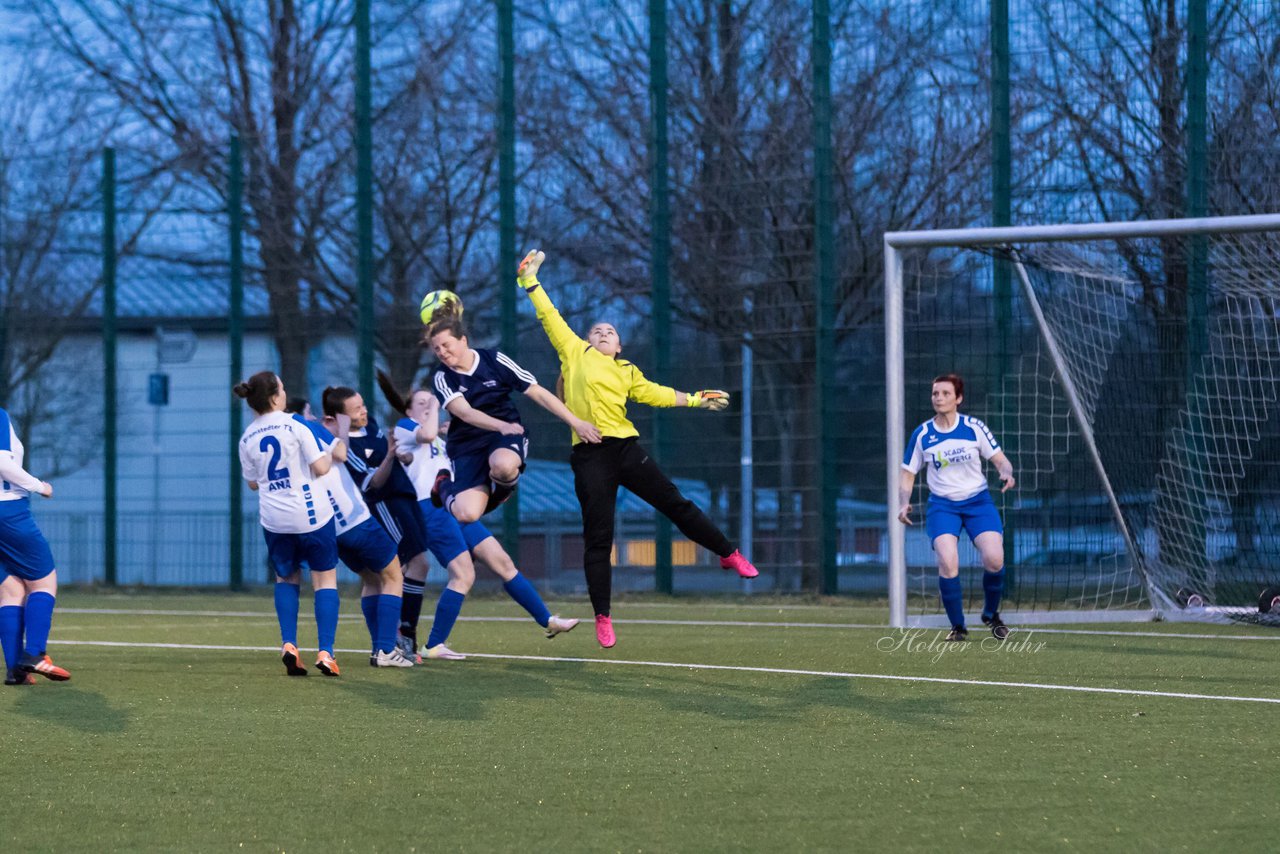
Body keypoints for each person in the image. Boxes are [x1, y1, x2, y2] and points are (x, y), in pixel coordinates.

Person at [515, 249, 759, 649]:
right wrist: (530, 281)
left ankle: (728, 553)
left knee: (677, 504)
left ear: (620, 345)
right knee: (599, 537)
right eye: (596, 331)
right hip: (590, 456)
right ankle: (603, 616)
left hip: (626, 451)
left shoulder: (627, 371)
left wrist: (697, 399)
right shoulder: (575, 352)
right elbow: (550, 317)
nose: (603, 333)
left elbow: (659, 395)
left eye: (610, 331)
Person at [378, 373, 579, 659]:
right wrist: (437, 406)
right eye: (422, 403)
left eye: (430, 402)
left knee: (503, 562)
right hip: (431, 509)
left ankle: (547, 620)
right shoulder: (404, 427)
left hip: (454, 507)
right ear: (408, 410)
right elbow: (424, 435)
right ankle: (432, 643)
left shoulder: (440, 438)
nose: (428, 405)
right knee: (463, 574)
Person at [423, 301, 602, 525]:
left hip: (504, 435)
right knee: (466, 515)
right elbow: (466, 413)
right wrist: (500, 425)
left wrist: (576, 422)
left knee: (504, 466)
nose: (442, 352)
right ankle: (443, 485)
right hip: (467, 444)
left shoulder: (494, 361)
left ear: (463, 340)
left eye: (446, 345)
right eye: (437, 348)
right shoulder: (442, 377)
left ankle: (502, 488)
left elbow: (536, 392)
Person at [283, 398, 413, 668]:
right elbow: (340, 452)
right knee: (393, 576)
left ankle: (380, 647)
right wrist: (340, 428)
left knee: (371, 580)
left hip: (332, 527)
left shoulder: (286, 442)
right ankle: (387, 649)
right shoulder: (306, 428)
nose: (316, 418)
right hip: (356, 520)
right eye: (311, 413)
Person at [236, 371, 342, 676]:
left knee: (285, 579)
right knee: (324, 580)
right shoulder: (296, 423)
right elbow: (322, 467)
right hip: (310, 514)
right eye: (282, 387)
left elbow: (253, 484)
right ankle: (326, 652)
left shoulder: (247, 437)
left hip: (274, 519)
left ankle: (289, 645)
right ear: (274, 397)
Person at [898, 373, 1015, 641]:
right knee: (948, 562)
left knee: (995, 559)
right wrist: (903, 503)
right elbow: (907, 473)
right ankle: (958, 626)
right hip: (943, 506)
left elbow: (1000, 460)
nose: (938, 398)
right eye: (935, 393)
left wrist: (1007, 473)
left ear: (958, 398)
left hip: (978, 502)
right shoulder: (923, 434)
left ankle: (990, 614)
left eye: (945, 393)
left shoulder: (974, 428)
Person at [321, 384, 434, 659]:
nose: (364, 410)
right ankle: (396, 642)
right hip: (380, 508)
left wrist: (400, 456)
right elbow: (371, 485)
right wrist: (391, 457)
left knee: (375, 579)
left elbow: (386, 452)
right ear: (337, 418)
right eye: (356, 408)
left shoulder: (370, 426)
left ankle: (383, 646)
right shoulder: (342, 447)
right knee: (402, 570)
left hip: (388, 505)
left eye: (362, 404)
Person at [0, 406, 70, 685]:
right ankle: (34, 654)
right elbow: (3, 463)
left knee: (11, 589)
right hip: (8, 513)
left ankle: (16, 671)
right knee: (43, 583)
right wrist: (39, 486)